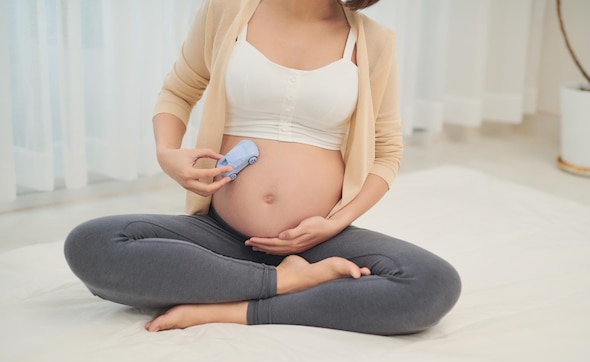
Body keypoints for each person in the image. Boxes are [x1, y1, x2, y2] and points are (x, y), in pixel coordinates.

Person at [64, 0, 461, 336]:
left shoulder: (374, 41)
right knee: (91, 244)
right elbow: (179, 89)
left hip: (317, 241)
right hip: (219, 234)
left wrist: (334, 224)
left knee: (433, 285)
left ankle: (232, 306)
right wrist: (167, 151)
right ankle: (286, 283)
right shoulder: (230, 9)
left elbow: (387, 151)